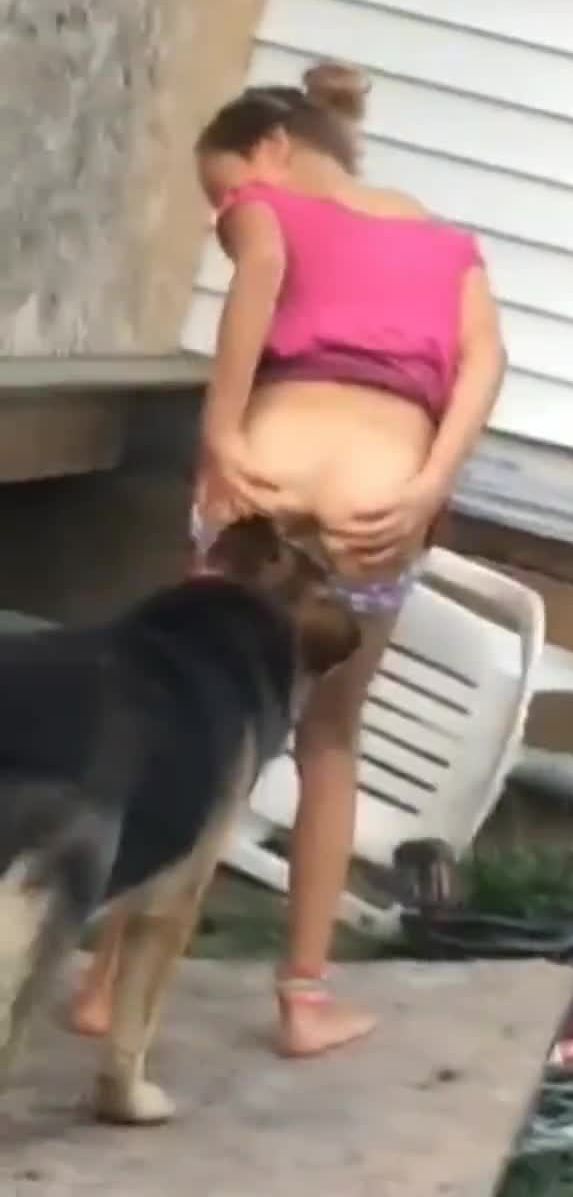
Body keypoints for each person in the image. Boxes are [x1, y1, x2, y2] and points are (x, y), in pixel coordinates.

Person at [71, 61, 506, 1057]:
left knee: (188, 717)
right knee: (330, 741)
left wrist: (220, 433)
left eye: (220, 188)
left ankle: (105, 985)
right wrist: (431, 484)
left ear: (270, 149)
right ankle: (305, 999)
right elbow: (485, 361)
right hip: (380, 498)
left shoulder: (268, 207)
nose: (221, 213)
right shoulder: (448, 245)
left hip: (264, 476)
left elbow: (259, 275)